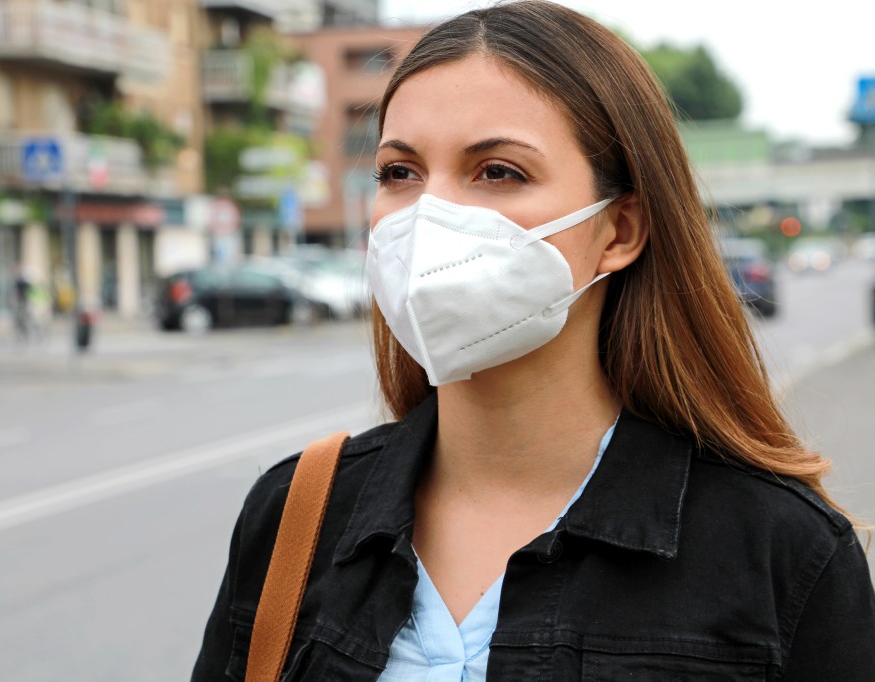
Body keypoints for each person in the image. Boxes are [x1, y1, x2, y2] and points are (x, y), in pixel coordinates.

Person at [192, 2, 875, 680]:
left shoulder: (780, 552)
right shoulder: (295, 518)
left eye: (498, 172)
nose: (432, 216)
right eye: (400, 172)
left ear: (620, 231)